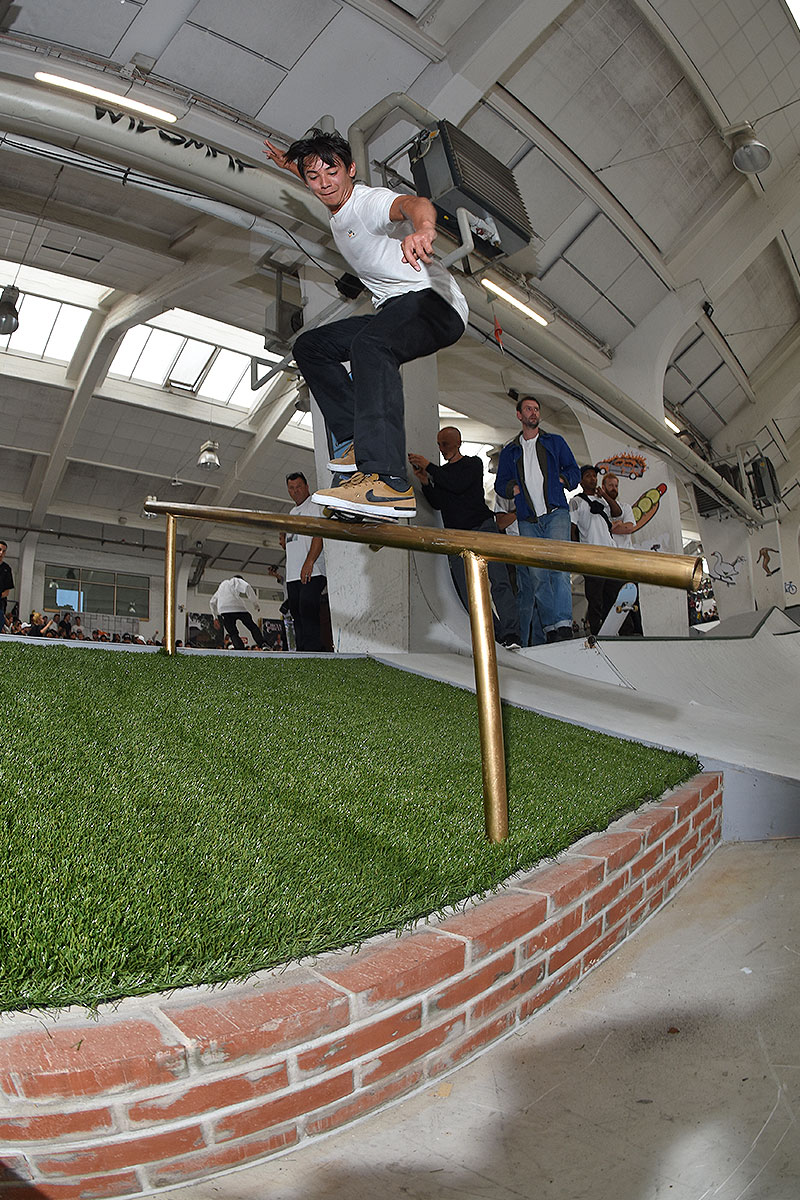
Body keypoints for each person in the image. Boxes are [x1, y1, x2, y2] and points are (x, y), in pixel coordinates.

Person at [263, 129, 468, 519]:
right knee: (310, 348)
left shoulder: (366, 202)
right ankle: (359, 438)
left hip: (435, 303)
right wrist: (293, 164)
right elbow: (317, 174)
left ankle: (388, 481)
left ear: (352, 170)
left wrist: (424, 229)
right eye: (313, 177)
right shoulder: (332, 198)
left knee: (371, 347)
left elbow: (414, 203)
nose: (324, 184)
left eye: (332, 173)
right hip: (396, 307)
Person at [408, 427, 520, 648]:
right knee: (467, 591)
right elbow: (439, 502)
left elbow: (456, 484)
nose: (442, 449)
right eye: (439, 444)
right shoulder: (443, 474)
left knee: (499, 582)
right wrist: (424, 481)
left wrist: (429, 468)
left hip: (482, 529)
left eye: (445, 444)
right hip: (458, 535)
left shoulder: (472, 464)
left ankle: (510, 634)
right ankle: (496, 635)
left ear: (457, 443)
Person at [495, 395, 580, 642]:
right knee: (537, 575)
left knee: (559, 570)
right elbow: (500, 483)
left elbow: (573, 470)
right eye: (529, 409)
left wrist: (562, 481)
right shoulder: (511, 451)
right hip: (527, 519)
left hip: (556, 514)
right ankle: (550, 628)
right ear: (519, 416)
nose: (534, 413)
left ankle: (563, 624)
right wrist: (513, 489)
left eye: (536, 409)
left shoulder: (555, 442)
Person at [281, 472, 331, 652]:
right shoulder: (292, 513)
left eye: (299, 486)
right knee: (297, 613)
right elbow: (295, 543)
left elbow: (320, 534)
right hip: (293, 574)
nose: (295, 491)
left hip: (313, 570)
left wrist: (309, 562)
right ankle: (301, 653)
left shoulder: (315, 505)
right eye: (291, 488)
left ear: (307, 487)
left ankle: (314, 652)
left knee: (307, 609)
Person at [569, 465, 620, 635]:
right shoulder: (576, 501)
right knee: (595, 599)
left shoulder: (603, 500)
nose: (593, 479)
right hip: (591, 555)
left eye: (594, 476)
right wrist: (577, 555)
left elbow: (617, 512)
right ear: (581, 480)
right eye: (588, 476)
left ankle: (612, 631)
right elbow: (572, 529)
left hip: (610, 554)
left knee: (613, 597)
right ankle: (597, 634)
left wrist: (604, 494)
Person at [600, 471, 643, 636]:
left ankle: (637, 632)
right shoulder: (599, 508)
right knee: (611, 600)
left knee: (632, 598)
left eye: (616, 485)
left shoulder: (625, 507)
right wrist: (617, 525)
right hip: (608, 561)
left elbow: (630, 527)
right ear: (603, 487)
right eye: (610, 485)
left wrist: (613, 527)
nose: (614, 488)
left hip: (626, 559)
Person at [209, 577, 266, 651]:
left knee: (233, 633)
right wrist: (255, 604)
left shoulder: (221, 587)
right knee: (252, 626)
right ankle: (262, 644)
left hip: (224, 610)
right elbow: (247, 587)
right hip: (238, 607)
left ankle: (239, 648)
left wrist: (215, 618)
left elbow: (212, 602)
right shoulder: (235, 580)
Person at [0, 541, 13, 629]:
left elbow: (7, 591)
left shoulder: (6, 569)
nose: (1, 553)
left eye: (4, 551)